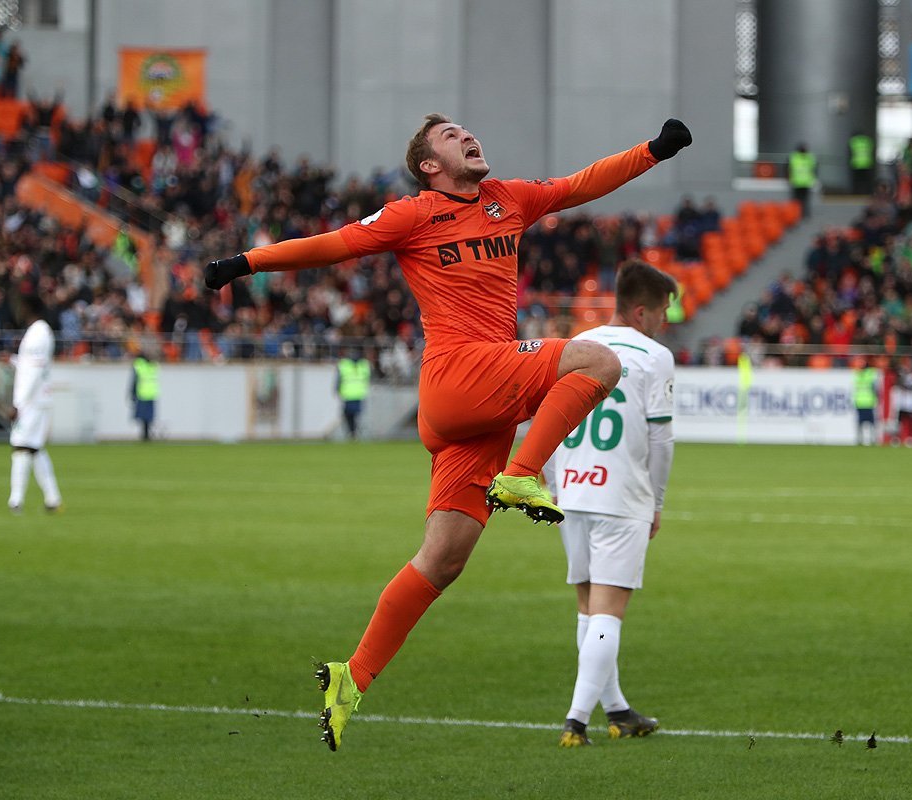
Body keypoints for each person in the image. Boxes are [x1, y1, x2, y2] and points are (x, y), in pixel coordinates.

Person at [203, 113, 692, 751]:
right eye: (450, 136)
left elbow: (580, 185)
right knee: (600, 361)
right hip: (459, 373)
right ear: (429, 166)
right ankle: (521, 475)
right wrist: (245, 263)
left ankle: (352, 677)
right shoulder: (412, 214)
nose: (467, 136)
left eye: (466, 130)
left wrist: (653, 151)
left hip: (477, 410)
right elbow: (334, 244)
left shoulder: (508, 199)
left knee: (442, 561)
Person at [541, 259, 677, 747]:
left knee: (588, 607)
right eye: (661, 311)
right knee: (607, 612)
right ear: (641, 312)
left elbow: (547, 417)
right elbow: (661, 441)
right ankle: (576, 721)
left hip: (572, 490)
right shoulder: (655, 356)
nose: (664, 320)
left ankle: (617, 711)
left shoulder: (579, 346)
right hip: (621, 496)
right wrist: (656, 502)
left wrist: (553, 482)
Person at [8, 294, 62, 514]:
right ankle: (52, 498)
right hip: (37, 399)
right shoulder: (39, 332)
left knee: (20, 446)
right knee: (34, 448)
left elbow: (35, 371)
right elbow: (31, 366)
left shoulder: (38, 333)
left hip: (32, 400)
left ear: (28, 307)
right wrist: (14, 360)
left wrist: (18, 404)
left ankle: (16, 501)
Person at [336, 347, 371, 440]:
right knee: (354, 414)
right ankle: (354, 432)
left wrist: (336, 389)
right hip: (357, 393)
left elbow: (339, 378)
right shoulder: (364, 364)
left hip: (349, 393)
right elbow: (368, 378)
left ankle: (353, 432)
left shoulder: (344, 364)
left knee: (350, 414)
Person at [131, 350, 159, 441]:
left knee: (143, 416)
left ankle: (145, 434)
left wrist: (132, 393)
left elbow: (134, 380)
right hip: (151, 394)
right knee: (148, 416)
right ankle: (147, 434)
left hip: (142, 394)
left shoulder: (138, 365)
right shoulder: (153, 365)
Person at [890, 361, 912, 447]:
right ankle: (896, 438)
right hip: (901, 403)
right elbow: (895, 384)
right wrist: (899, 378)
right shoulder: (900, 375)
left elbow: (911, 387)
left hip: (910, 403)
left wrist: (903, 380)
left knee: (910, 422)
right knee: (899, 422)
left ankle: (910, 438)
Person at [853, 357, 880, 446]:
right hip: (861, 402)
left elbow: (875, 387)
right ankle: (861, 439)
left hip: (868, 402)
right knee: (862, 423)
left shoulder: (870, 374)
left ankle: (872, 439)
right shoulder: (859, 374)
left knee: (870, 423)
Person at [788, 142, 816, 219]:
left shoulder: (795, 157)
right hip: (798, 182)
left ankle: (803, 214)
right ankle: (798, 214)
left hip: (804, 182)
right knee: (799, 201)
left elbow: (814, 169)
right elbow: (789, 169)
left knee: (803, 201)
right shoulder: (796, 157)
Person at [848, 130, 874, 196]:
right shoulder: (868, 141)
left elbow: (850, 153)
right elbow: (872, 152)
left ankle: (856, 193)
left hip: (856, 164)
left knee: (856, 181)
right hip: (867, 164)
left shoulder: (853, 141)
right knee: (867, 180)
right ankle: (868, 193)